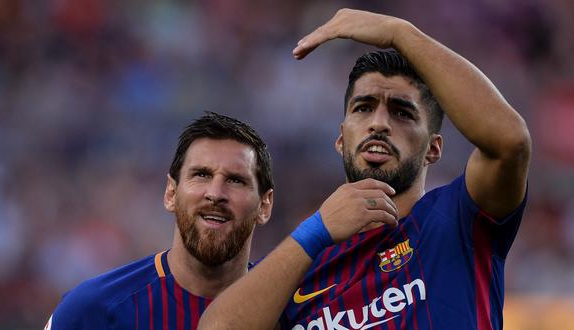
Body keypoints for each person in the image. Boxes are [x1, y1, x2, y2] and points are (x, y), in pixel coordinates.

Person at [198, 8, 530, 330]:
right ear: (341, 139)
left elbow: (510, 143)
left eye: (402, 113)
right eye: (363, 108)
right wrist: (316, 230)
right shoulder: (301, 267)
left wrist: (400, 33)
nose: (379, 124)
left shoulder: (457, 219)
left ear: (433, 149)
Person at [45, 112, 274, 329]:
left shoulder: (294, 314)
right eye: (201, 175)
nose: (215, 193)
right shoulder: (93, 312)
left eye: (235, 180)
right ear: (171, 194)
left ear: (264, 206)